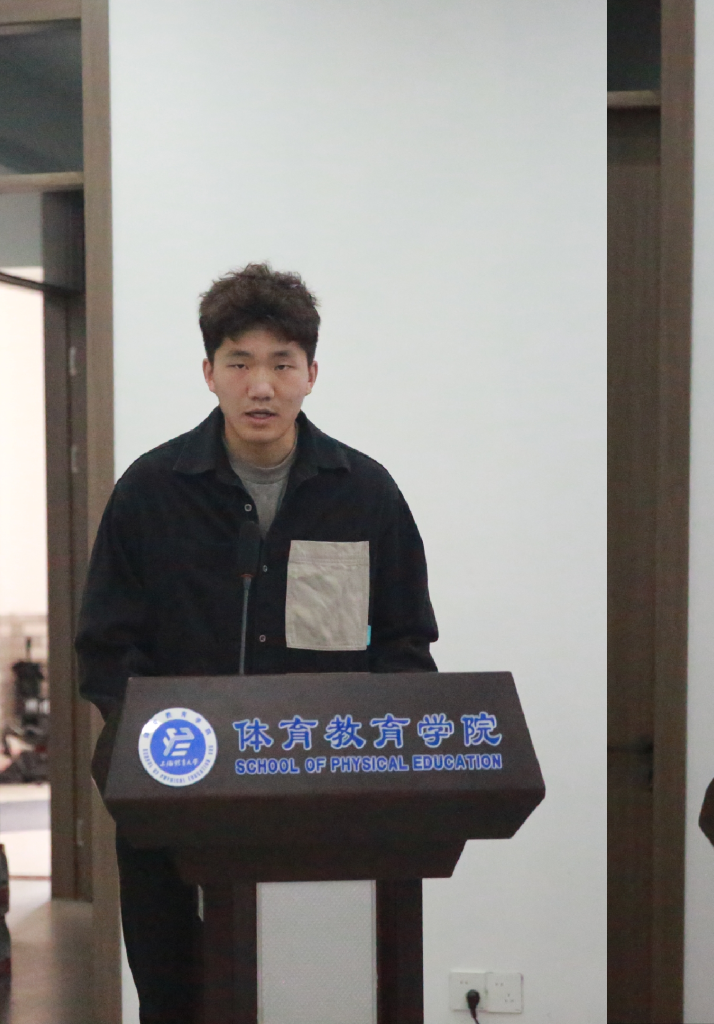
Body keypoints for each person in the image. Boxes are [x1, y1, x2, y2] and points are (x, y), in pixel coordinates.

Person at [76, 263, 438, 1023]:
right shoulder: (151, 491)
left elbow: (406, 644)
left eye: (282, 363)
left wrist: (373, 757)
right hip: (173, 801)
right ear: (209, 373)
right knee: (179, 999)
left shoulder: (365, 494)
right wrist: (157, 745)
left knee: (317, 996)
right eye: (240, 363)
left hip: (326, 807)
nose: (261, 386)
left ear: (312, 374)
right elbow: (106, 646)